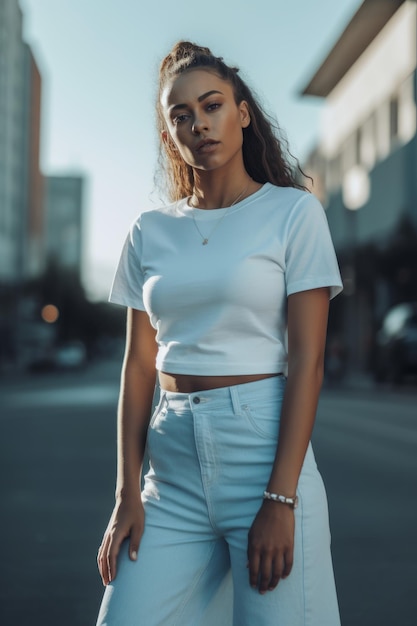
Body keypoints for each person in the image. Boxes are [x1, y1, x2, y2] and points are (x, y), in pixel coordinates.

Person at [96, 41, 343, 626]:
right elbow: (138, 367)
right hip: (172, 469)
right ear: (168, 136)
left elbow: (307, 361)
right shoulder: (149, 230)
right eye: (181, 116)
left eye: (211, 106)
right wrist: (126, 493)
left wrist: (280, 499)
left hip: (261, 455)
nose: (199, 123)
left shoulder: (293, 213)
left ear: (243, 112)